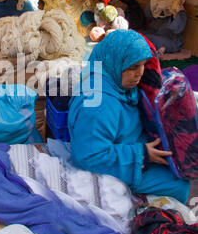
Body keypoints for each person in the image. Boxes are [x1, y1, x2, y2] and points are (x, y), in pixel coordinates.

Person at [68, 30, 190, 205]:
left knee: (179, 168)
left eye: (142, 65)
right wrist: (141, 154)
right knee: (179, 184)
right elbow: (88, 156)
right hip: (117, 160)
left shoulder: (116, 83)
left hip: (127, 147)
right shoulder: (97, 103)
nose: (139, 73)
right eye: (132, 67)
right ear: (114, 61)